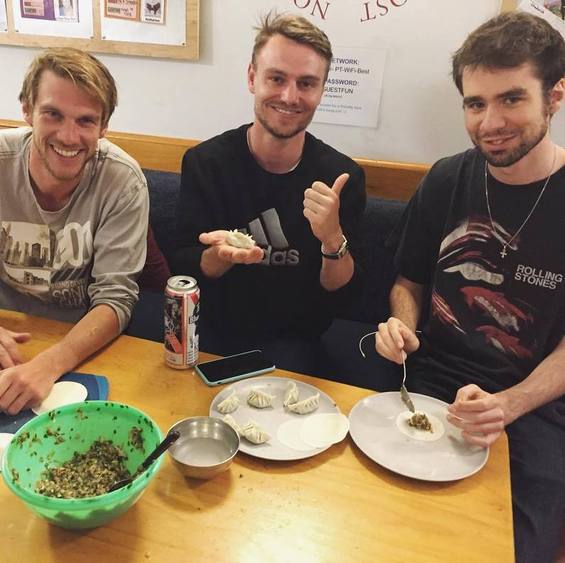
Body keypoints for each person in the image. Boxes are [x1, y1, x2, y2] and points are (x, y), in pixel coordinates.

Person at [374, 12, 565, 563]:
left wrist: (509, 404)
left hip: (529, 409)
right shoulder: (446, 177)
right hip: (424, 379)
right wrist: (402, 327)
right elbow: (407, 281)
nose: (490, 122)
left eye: (511, 99)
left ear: (554, 96)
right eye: (475, 103)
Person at [171, 12, 366, 375]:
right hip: (212, 333)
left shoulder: (342, 177)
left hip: (296, 343)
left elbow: (343, 295)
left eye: (307, 83)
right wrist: (219, 255)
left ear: (322, 89)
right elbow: (184, 267)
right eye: (276, 78)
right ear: (252, 78)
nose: (289, 96)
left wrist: (332, 238)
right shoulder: (205, 163)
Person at [0, 48, 149, 415]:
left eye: (85, 121)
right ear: (26, 109)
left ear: (104, 126)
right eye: (53, 114)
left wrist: (51, 363)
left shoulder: (123, 181)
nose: (69, 136)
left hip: (82, 348)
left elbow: (116, 298)